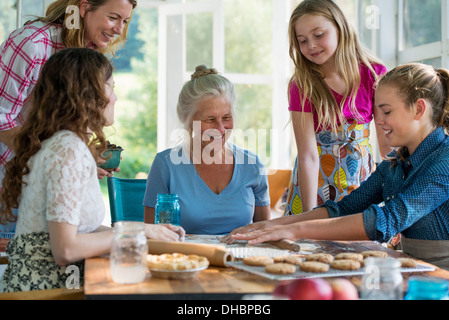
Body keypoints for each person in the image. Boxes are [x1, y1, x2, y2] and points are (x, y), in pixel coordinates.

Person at [225, 63, 449, 270]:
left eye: (387, 111)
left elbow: (387, 219)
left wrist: (293, 230)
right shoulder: (395, 163)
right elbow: (345, 208)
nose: (378, 121)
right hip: (416, 268)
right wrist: (272, 225)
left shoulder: (444, 161)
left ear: (419, 109)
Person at [0, 48, 185, 292]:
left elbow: (83, 230)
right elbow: (65, 250)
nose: (116, 97)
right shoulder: (68, 150)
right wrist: (141, 230)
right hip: (47, 294)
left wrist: (143, 233)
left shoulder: (66, 144)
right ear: (89, 95)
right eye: (111, 86)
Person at [0, 0, 137, 186]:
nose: (119, 30)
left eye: (125, 21)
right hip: (9, 178)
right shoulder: (31, 44)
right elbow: (1, 117)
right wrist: (60, 159)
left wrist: (83, 154)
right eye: (113, 18)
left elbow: (63, 125)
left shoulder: (89, 51)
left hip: (48, 177)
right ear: (84, 8)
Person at [284, 0, 391, 217]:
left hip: (361, 185)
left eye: (319, 34)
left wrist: (392, 196)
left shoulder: (374, 73)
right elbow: (307, 156)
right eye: (302, 41)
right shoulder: (302, 84)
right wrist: (308, 215)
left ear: (340, 28)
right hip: (314, 188)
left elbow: (386, 144)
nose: (311, 45)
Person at [143, 65, 271, 235]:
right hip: (186, 259)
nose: (220, 128)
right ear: (187, 120)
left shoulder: (252, 165)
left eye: (226, 118)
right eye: (210, 119)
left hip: (239, 260)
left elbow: (266, 233)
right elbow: (153, 236)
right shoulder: (166, 165)